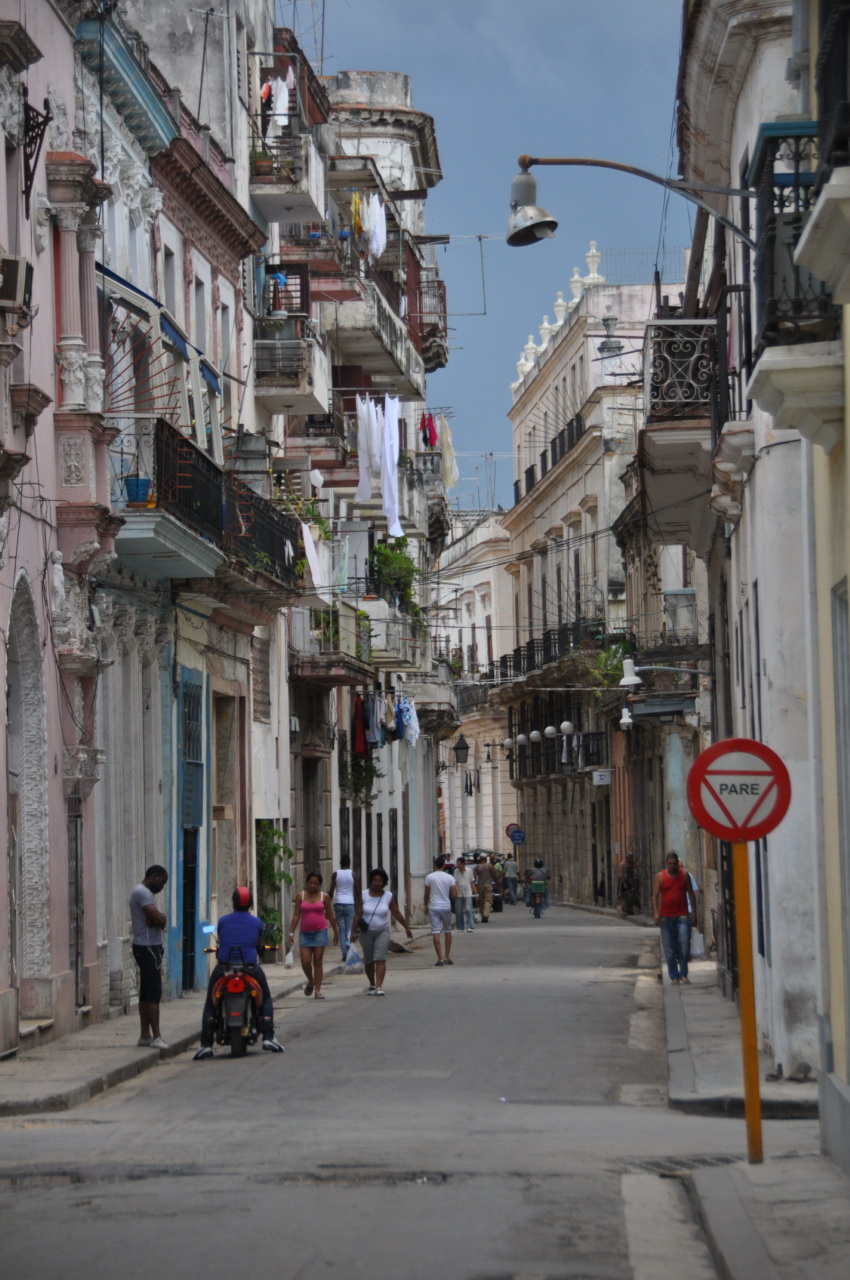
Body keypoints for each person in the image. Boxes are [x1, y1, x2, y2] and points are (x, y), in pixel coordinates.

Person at [193, 887, 284, 1059]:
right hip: (249, 967)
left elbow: (222, 940)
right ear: (250, 904)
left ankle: (206, 1044)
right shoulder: (257, 923)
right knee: (265, 997)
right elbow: (258, 945)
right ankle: (268, 1037)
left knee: (210, 1003)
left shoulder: (223, 921)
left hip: (224, 968)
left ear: (233, 903)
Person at [351, 867, 413, 995]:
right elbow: (357, 914)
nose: (377, 883)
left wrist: (406, 927)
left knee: (380, 958)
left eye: (380, 881)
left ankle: (379, 987)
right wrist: (352, 931)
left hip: (382, 931)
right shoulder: (363, 895)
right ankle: (372, 984)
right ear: (370, 881)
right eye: (374, 880)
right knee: (368, 960)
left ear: (384, 882)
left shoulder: (388, 896)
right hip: (366, 932)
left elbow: (396, 912)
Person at [129, 865, 169, 1050]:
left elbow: (158, 919)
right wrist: (158, 918)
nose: (162, 887)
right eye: (162, 882)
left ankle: (145, 1035)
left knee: (146, 992)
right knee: (153, 993)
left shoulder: (145, 894)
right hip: (148, 948)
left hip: (146, 946)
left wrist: (158, 918)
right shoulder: (142, 892)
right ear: (154, 876)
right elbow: (159, 920)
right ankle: (157, 1036)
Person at [289, 871, 339, 999]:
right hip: (305, 933)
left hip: (320, 932)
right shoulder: (300, 896)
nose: (312, 885)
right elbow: (296, 915)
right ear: (306, 883)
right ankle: (311, 980)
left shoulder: (324, 897)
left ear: (319, 885)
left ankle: (317, 990)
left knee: (317, 961)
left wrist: (336, 932)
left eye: (315, 883)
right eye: (310, 882)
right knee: (305, 961)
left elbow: (330, 915)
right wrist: (291, 932)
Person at [653, 851, 696, 984]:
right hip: (666, 917)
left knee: (684, 944)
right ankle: (674, 976)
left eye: (674, 863)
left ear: (678, 864)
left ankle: (684, 973)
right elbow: (654, 896)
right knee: (669, 948)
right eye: (670, 863)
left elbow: (691, 894)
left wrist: (694, 913)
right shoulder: (660, 877)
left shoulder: (684, 876)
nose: (672, 866)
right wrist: (656, 912)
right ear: (666, 863)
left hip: (682, 916)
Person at [424, 854, 457, 966]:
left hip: (433, 907)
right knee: (447, 931)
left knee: (435, 931)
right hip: (446, 907)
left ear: (434, 865)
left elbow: (426, 893)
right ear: (444, 865)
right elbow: (454, 894)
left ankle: (439, 958)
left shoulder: (429, 877)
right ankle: (447, 956)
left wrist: (425, 906)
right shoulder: (450, 878)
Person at [330, 855, 359, 962]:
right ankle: (348, 947)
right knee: (349, 927)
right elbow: (357, 892)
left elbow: (331, 890)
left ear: (340, 862)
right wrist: (359, 905)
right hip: (350, 903)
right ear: (349, 862)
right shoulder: (353, 875)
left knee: (341, 929)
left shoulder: (335, 874)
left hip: (338, 903)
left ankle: (344, 953)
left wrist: (327, 904)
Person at [453, 856, 476, 932]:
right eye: (457, 863)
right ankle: (460, 927)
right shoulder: (456, 871)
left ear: (463, 864)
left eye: (459, 863)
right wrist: (455, 892)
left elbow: (472, 882)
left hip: (468, 892)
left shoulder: (469, 871)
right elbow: (455, 883)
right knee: (458, 911)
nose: (458, 865)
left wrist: (475, 892)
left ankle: (470, 926)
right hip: (459, 893)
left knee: (468, 909)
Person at [473, 854, 497, 922]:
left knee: (481, 901)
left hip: (480, 886)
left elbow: (474, 878)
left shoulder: (477, 867)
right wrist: (496, 881)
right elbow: (494, 875)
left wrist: (473, 886)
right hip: (488, 885)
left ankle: (482, 914)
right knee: (488, 900)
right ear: (485, 859)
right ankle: (485, 915)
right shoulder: (490, 866)